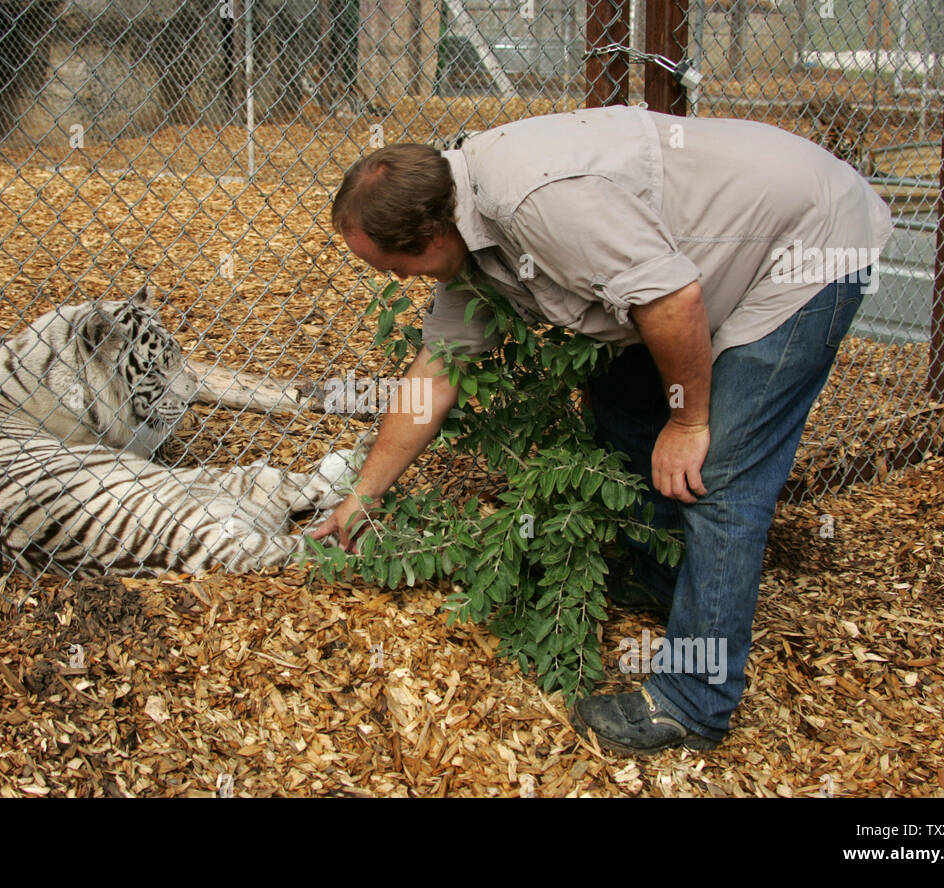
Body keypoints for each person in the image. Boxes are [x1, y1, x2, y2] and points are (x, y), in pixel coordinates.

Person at [313, 105, 893, 755]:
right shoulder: (463, 223)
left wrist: (687, 419)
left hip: (804, 243)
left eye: (394, 267)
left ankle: (693, 702)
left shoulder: (537, 201)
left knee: (721, 472)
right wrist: (363, 495)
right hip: (700, 267)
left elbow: (671, 299)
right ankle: (662, 572)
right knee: (619, 397)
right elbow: (437, 372)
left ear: (430, 235)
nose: (400, 281)